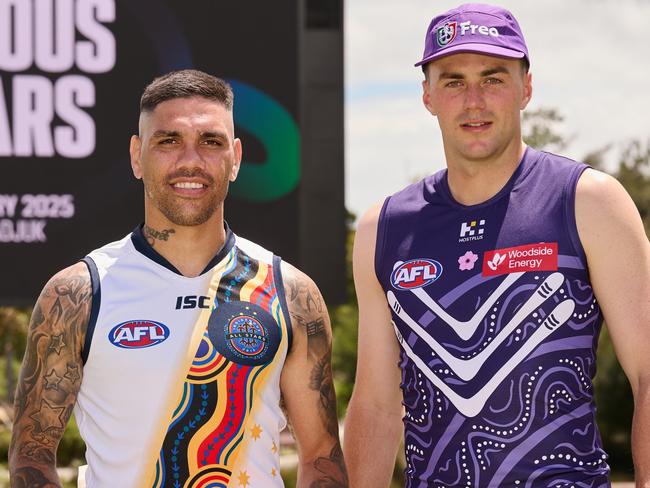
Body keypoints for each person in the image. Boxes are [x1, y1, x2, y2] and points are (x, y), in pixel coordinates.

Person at [343, 3, 650, 487]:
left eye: (493, 78)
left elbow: (647, 374)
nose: (474, 101)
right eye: (453, 81)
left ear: (526, 88)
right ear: (427, 96)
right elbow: (377, 406)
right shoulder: (383, 227)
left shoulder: (589, 201)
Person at [9, 69, 348, 488]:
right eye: (168, 141)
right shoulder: (78, 292)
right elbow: (32, 458)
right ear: (137, 156)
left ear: (236, 158)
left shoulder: (291, 292)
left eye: (211, 142)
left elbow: (321, 459)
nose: (190, 160)